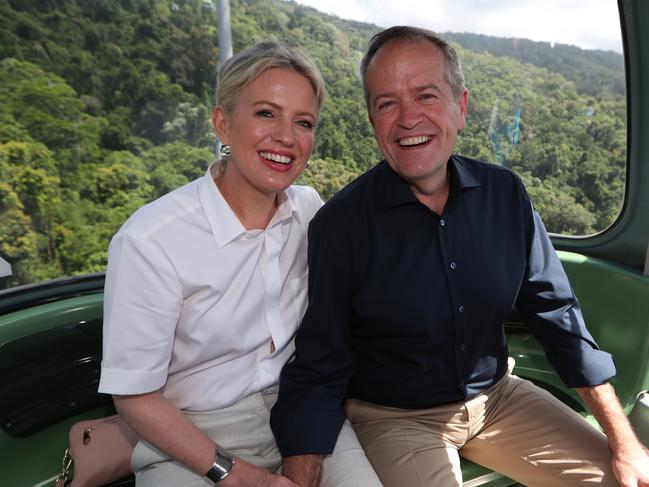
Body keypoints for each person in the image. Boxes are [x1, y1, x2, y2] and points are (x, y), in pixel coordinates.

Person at [271, 27, 649, 487]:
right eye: (387, 103)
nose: (408, 118)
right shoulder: (341, 227)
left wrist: (625, 442)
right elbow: (319, 368)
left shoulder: (505, 196)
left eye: (426, 96)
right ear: (372, 122)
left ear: (461, 106)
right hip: (396, 419)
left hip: (499, 398)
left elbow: (558, 317)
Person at [98, 40, 381, 487]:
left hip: (300, 405)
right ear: (223, 124)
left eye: (303, 122)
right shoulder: (151, 240)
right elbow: (134, 396)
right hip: (191, 434)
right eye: (266, 113)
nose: (286, 137)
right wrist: (233, 472)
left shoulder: (309, 210)